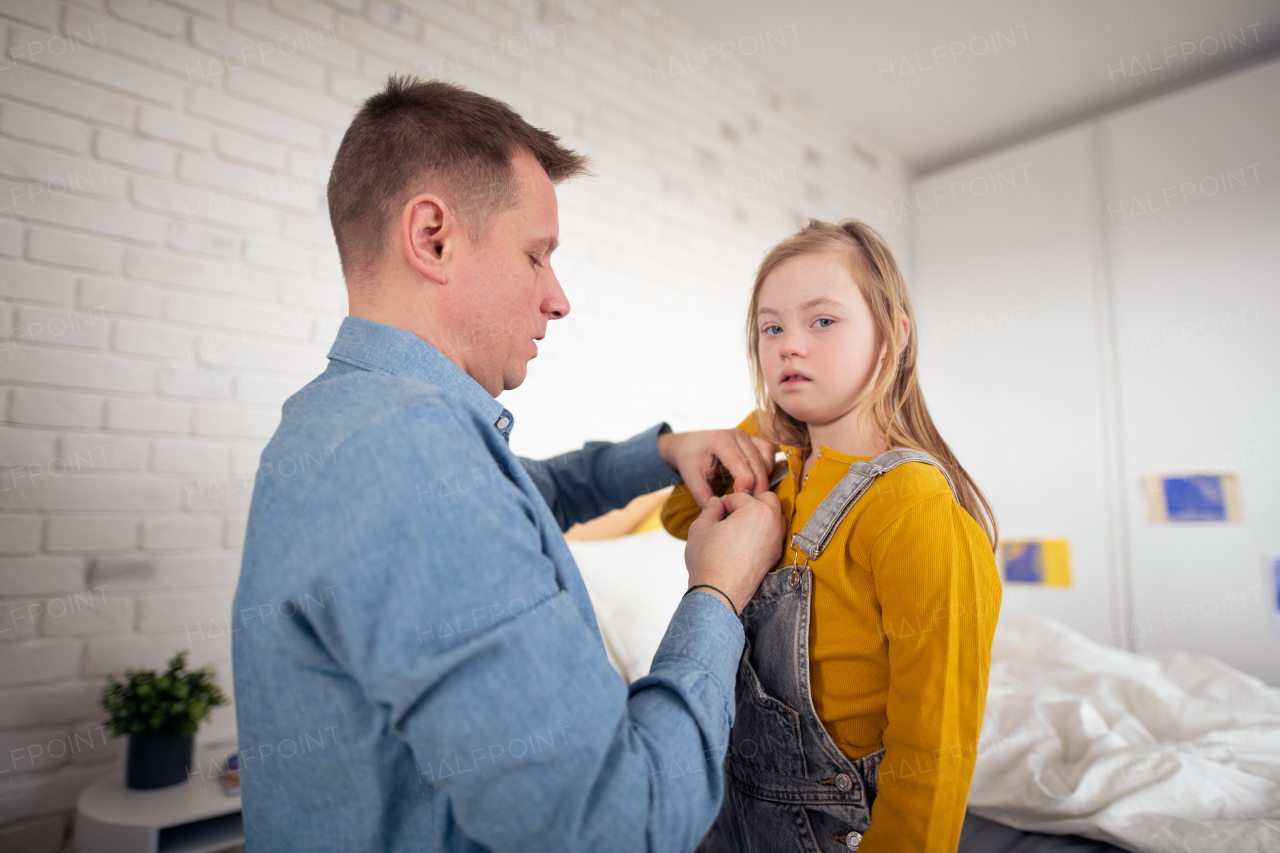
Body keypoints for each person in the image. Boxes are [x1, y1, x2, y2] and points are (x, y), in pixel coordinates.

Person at [231, 76, 786, 852]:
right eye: (538, 255)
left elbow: (522, 492)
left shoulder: (341, 421)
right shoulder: (409, 459)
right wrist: (719, 592)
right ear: (432, 237)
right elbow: (625, 823)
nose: (559, 298)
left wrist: (663, 452)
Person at [661, 219, 1003, 852]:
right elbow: (681, 514)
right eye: (772, 327)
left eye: (822, 321)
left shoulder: (911, 502)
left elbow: (937, 738)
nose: (790, 345)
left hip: (827, 829)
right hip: (727, 807)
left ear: (893, 336)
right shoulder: (783, 478)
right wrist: (757, 425)